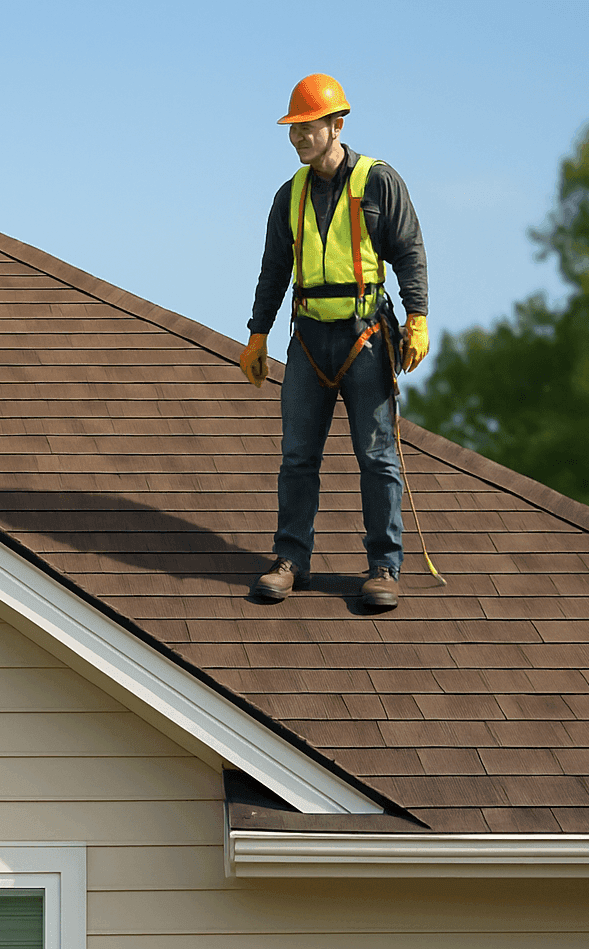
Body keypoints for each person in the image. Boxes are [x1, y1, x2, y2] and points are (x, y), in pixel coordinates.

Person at [240, 73, 429, 610]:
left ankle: (384, 567)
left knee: (377, 455)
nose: (299, 137)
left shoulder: (377, 181)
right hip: (307, 339)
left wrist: (417, 317)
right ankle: (290, 560)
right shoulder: (289, 195)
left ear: (336, 125)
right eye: (293, 128)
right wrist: (257, 335)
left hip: (364, 335)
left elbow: (410, 250)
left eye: (309, 126)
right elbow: (274, 269)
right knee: (298, 456)